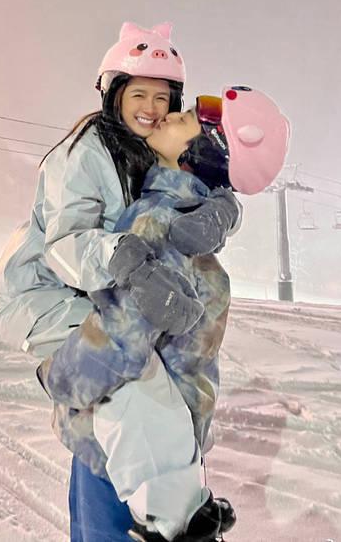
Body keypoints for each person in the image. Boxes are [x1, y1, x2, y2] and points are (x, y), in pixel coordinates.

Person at [0, 22, 241, 541]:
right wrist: (128, 260)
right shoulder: (88, 149)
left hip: (113, 292)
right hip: (50, 291)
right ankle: (169, 518)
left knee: (154, 389)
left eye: (163, 97)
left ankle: (171, 505)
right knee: (131, 382)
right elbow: (66, 241)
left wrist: (220, 209)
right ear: (113, 96)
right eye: (138, 94)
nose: (151, 107)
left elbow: (190, 203)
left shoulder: (157, 148)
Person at [37, 87, 290, 542]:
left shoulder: (157, 218)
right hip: (168, 448)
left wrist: (60, 377)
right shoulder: (193, 216)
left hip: (126, 448)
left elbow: (123, 335)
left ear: (199, 153)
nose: (170, 117)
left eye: (187, 120)